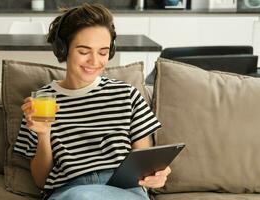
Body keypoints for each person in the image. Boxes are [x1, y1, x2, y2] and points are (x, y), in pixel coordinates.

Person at [13, 3, 171, 200]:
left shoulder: (127, 95)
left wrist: (156, 175)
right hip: (70, 191)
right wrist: (44, 135)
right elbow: (40, 180)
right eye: (84, 51)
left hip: (125, 192)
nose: (95, 61)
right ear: (63, 49)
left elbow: (145, 163)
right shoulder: (41, 102)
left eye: (103, 52)